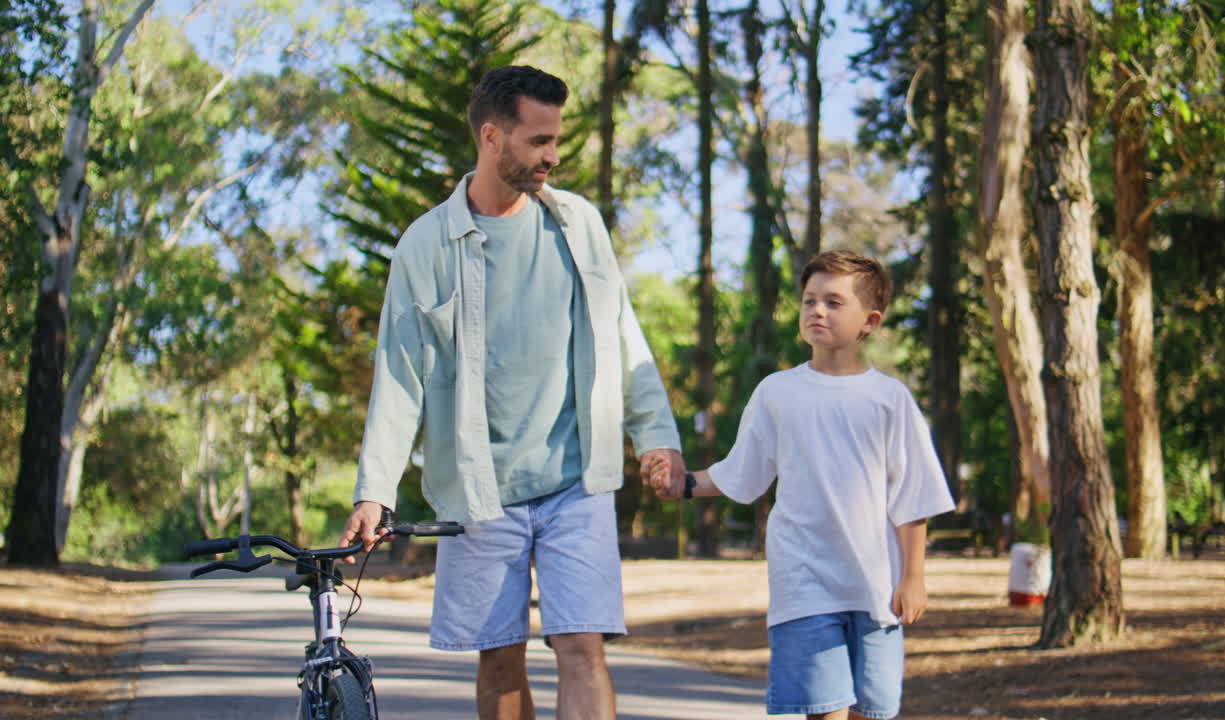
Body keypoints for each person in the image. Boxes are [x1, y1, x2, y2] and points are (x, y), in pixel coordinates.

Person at [340, 65, 685, 720]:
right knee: (499, 656)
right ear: (493, 137)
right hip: (479, 490)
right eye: (539, 141)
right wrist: (373, 490)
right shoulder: (426, 245)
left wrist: (657, 436)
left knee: (582, 643)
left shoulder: (578, 225)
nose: (553, 156)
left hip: (576, 480)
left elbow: (624, 337)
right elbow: (400, 375)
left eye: (557, 140)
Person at [645, 249, 955, 720]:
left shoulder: (891, 399)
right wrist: (682, 485)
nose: (817, 311)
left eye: (834, 302)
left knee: (870, 712)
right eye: (810, 300)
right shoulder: (777, 392)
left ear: (869, 321)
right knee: (823, 710)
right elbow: (740, 474)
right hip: (803, 583)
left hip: (875, 585)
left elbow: (913, 497)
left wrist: (914, 577)